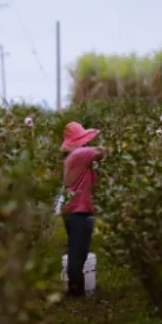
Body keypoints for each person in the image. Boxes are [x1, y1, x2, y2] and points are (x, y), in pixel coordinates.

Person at [61, 122, 106, 297]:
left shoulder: (73, 157)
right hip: (79, 212)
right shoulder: (80, 154)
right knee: (77, 256)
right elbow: (102, 152)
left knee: (78, 252)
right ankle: (76, 294)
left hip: (73, 210)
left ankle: (76, 289)